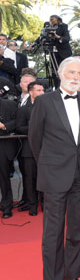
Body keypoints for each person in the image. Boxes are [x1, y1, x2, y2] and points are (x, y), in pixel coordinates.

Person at [29, 57, 80, 280]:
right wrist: (49, 167)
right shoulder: (44, 102)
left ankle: (71, 275)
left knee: (78, 230)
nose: (76, 77)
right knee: (53, 234)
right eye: (71, 72)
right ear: (60, 74)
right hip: (54, 177)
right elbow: (35, 139)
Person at [15, 80, 45, 216]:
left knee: (46, 178)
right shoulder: (23, 109)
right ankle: (32, 205)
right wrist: (35, 128)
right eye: (39, 90)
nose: (42, 93)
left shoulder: (49, 108)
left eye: (43, 90)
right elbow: (19, 128)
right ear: (31, 92)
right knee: (30, 179)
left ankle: (45, 204)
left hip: (46, 149)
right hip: (29, 150)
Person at [0, 90, 17, 218]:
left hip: (3, 146)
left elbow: (18, 121)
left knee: (3, 177)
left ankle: (6, 206)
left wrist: (3, 126)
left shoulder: (10, 104)